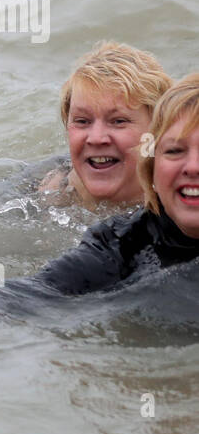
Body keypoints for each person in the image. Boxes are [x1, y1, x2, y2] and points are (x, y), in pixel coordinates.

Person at [28, 73, 199, 295]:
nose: (193, 167)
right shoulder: (118, 247)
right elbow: (20, 300)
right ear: (151, 168)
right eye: (174, 151)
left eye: (119, 121)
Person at [36, 42, 173, 209]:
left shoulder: (181, 204)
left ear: (158, 133)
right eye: (82, 121)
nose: (96, 138)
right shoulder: (49, 192)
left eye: (118, 121)